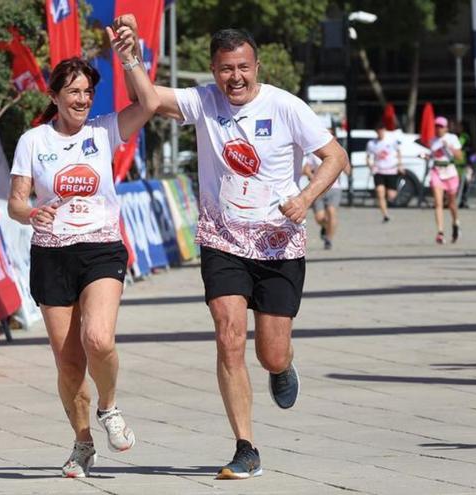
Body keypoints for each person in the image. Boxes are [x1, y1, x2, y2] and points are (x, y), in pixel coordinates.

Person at [119, 18, 348, 479]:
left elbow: (335, 156)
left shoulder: (286, 107)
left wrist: (304, 199)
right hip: (222, 239)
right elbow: (147, 99)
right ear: (213, 69)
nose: (235, 78)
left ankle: (282, 367)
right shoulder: (202, 101)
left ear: (256, 66)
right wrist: (129, 58)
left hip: (278, 243)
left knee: (271, 352)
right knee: (227, 336)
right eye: (226, 69)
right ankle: (246, 446)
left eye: (243, 67)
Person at [7, 21, 159, 478]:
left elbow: (149, 103)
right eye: (73, 92)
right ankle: (82, 442)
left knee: (99, 339)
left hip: (101, 248)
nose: (81, 100)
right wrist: (31, 212)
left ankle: (109, 408)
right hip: (51, 254)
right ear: (54, 95)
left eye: (88, 92)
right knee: (69, 362)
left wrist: (128, 56)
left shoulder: (104, 130)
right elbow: (16, 201)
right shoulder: (33, 141)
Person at [427, 116, 464, 244]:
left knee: (451, 204)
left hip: (450, 173)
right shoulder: (432, 141)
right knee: (438, 203)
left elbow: (459, 157)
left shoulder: (452, 138)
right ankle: (440, 232)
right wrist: (426, 156)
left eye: (441, 126)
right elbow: (432, 156)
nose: (438, 129)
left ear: (446, 128)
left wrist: (450, 148)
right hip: (437, 172)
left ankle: (455, 223)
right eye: (436, 126)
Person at [302, 150, 343, 250]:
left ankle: (329, 239)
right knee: (319, 218)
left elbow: (344, 165)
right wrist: (313, 177)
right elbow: (306, 169)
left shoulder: (337, 151)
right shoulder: (314, 154)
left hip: (334, 188)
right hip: (318, 189)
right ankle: (325, 227)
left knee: (331, 212)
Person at [365, 121, 403, 222]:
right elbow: (368, 157)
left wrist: (400, 164)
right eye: (378, 131)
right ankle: (385, 215)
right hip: (379, 170)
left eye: (382, 130)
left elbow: (398, 152)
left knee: (391, 195)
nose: (380, 133)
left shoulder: (391, 140)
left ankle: (388, 197)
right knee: (380, 192)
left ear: (384, 130)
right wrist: (370, 165)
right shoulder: (371, 143)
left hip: (391, 170)